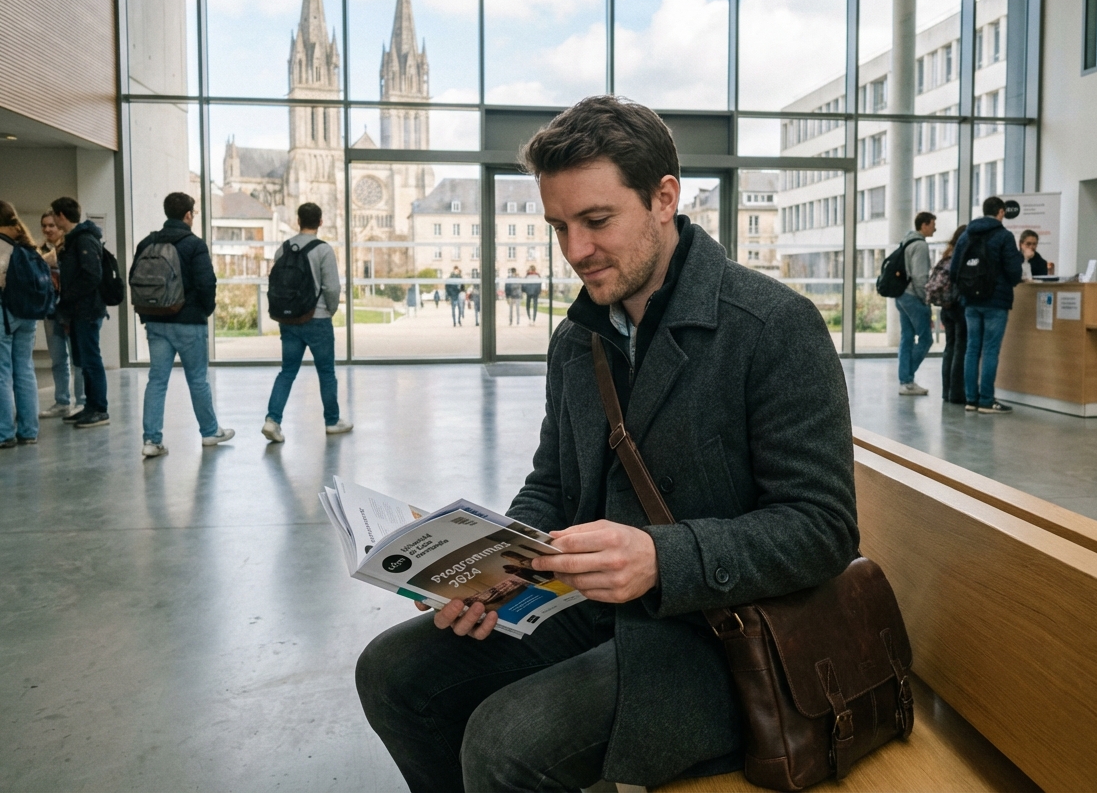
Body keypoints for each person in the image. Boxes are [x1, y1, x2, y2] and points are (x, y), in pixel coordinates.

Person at [356, 96, 857, 792]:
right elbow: (552, 482)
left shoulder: (773, 328)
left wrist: (663, 556)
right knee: (391, 673)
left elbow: (824, 529)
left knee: (504, 745)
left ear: (663, 198)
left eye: (596, 221)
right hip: (588, 608)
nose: (575, 251)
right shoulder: (578, 339)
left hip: (715, 634)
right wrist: (492, 567)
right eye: (558, 226)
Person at [134, 192, 233, 458]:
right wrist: (205, 311)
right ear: (188, 215)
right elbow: (206, 283)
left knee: (156, 381)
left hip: (156, 322)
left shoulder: (147, 242)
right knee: (198, 380)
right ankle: (210, 432)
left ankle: (151, 441)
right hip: (189, 321)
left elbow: (136, 280)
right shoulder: (193, 244)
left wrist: (148, 314)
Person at [261, 203, 352, 443]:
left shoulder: (283, 249)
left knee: (287, 372)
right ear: (320, 222)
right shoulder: (323, 250)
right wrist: (329, 310)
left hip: (289, 320)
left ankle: (272, 420)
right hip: (318, 320)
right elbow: (332, 287)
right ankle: (332, 421)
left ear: (297, 220)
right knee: (326, 372)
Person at [950, 195, 1024, 414]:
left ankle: (971, 399)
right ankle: (986, 400)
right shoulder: (1004, 236)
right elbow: (1014, 271)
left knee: (972, 349)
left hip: (971, 301)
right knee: (990, 350)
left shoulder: (966, 235)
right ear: (1001, 212)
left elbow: (954, 270)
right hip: (996, 301)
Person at [51, 196, 109, 429]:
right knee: (83, 361)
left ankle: (100, 409)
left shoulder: (83, 240)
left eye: (54, 216)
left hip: (87, 310)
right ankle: (90, 407)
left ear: (61, 216)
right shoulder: (75, 239)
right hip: (78, 310)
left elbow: (91, 276)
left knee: (91, 360)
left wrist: (66, 294)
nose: (54, 220)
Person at [0, 202, 41, 448]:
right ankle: (29, 431)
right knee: (25, 369)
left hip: (4, 313)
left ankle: (5, 433)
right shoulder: (25, 244)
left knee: (2, 372)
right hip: (27, 313)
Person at [36, 211, 85, 418]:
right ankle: (62, 401)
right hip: (51, 311)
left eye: (51, 225)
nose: (47, 229)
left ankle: (82, 401)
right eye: (44, 226)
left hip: (73, 311)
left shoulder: (71, 248)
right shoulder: (38, 251)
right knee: (57, 359)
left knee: (79, 359)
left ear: (60, 226)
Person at [896, 212, 936, 395]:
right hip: (913, 297)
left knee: (907, 338)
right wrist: (925, 299)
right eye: (933, 224)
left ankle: (906, 382)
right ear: (924, 225)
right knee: (926, 338)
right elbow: (920, 277)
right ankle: (907, 377)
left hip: (901, 295)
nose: (935, 228)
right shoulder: (920, 245)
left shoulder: (906, 241)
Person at [931, 225, 967, 405]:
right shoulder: (961, 257)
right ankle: (957, 393)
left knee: (950, 348)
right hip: (958, 306)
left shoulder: (947, 255)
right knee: (961, 348)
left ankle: (946, 391)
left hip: (946, 308)